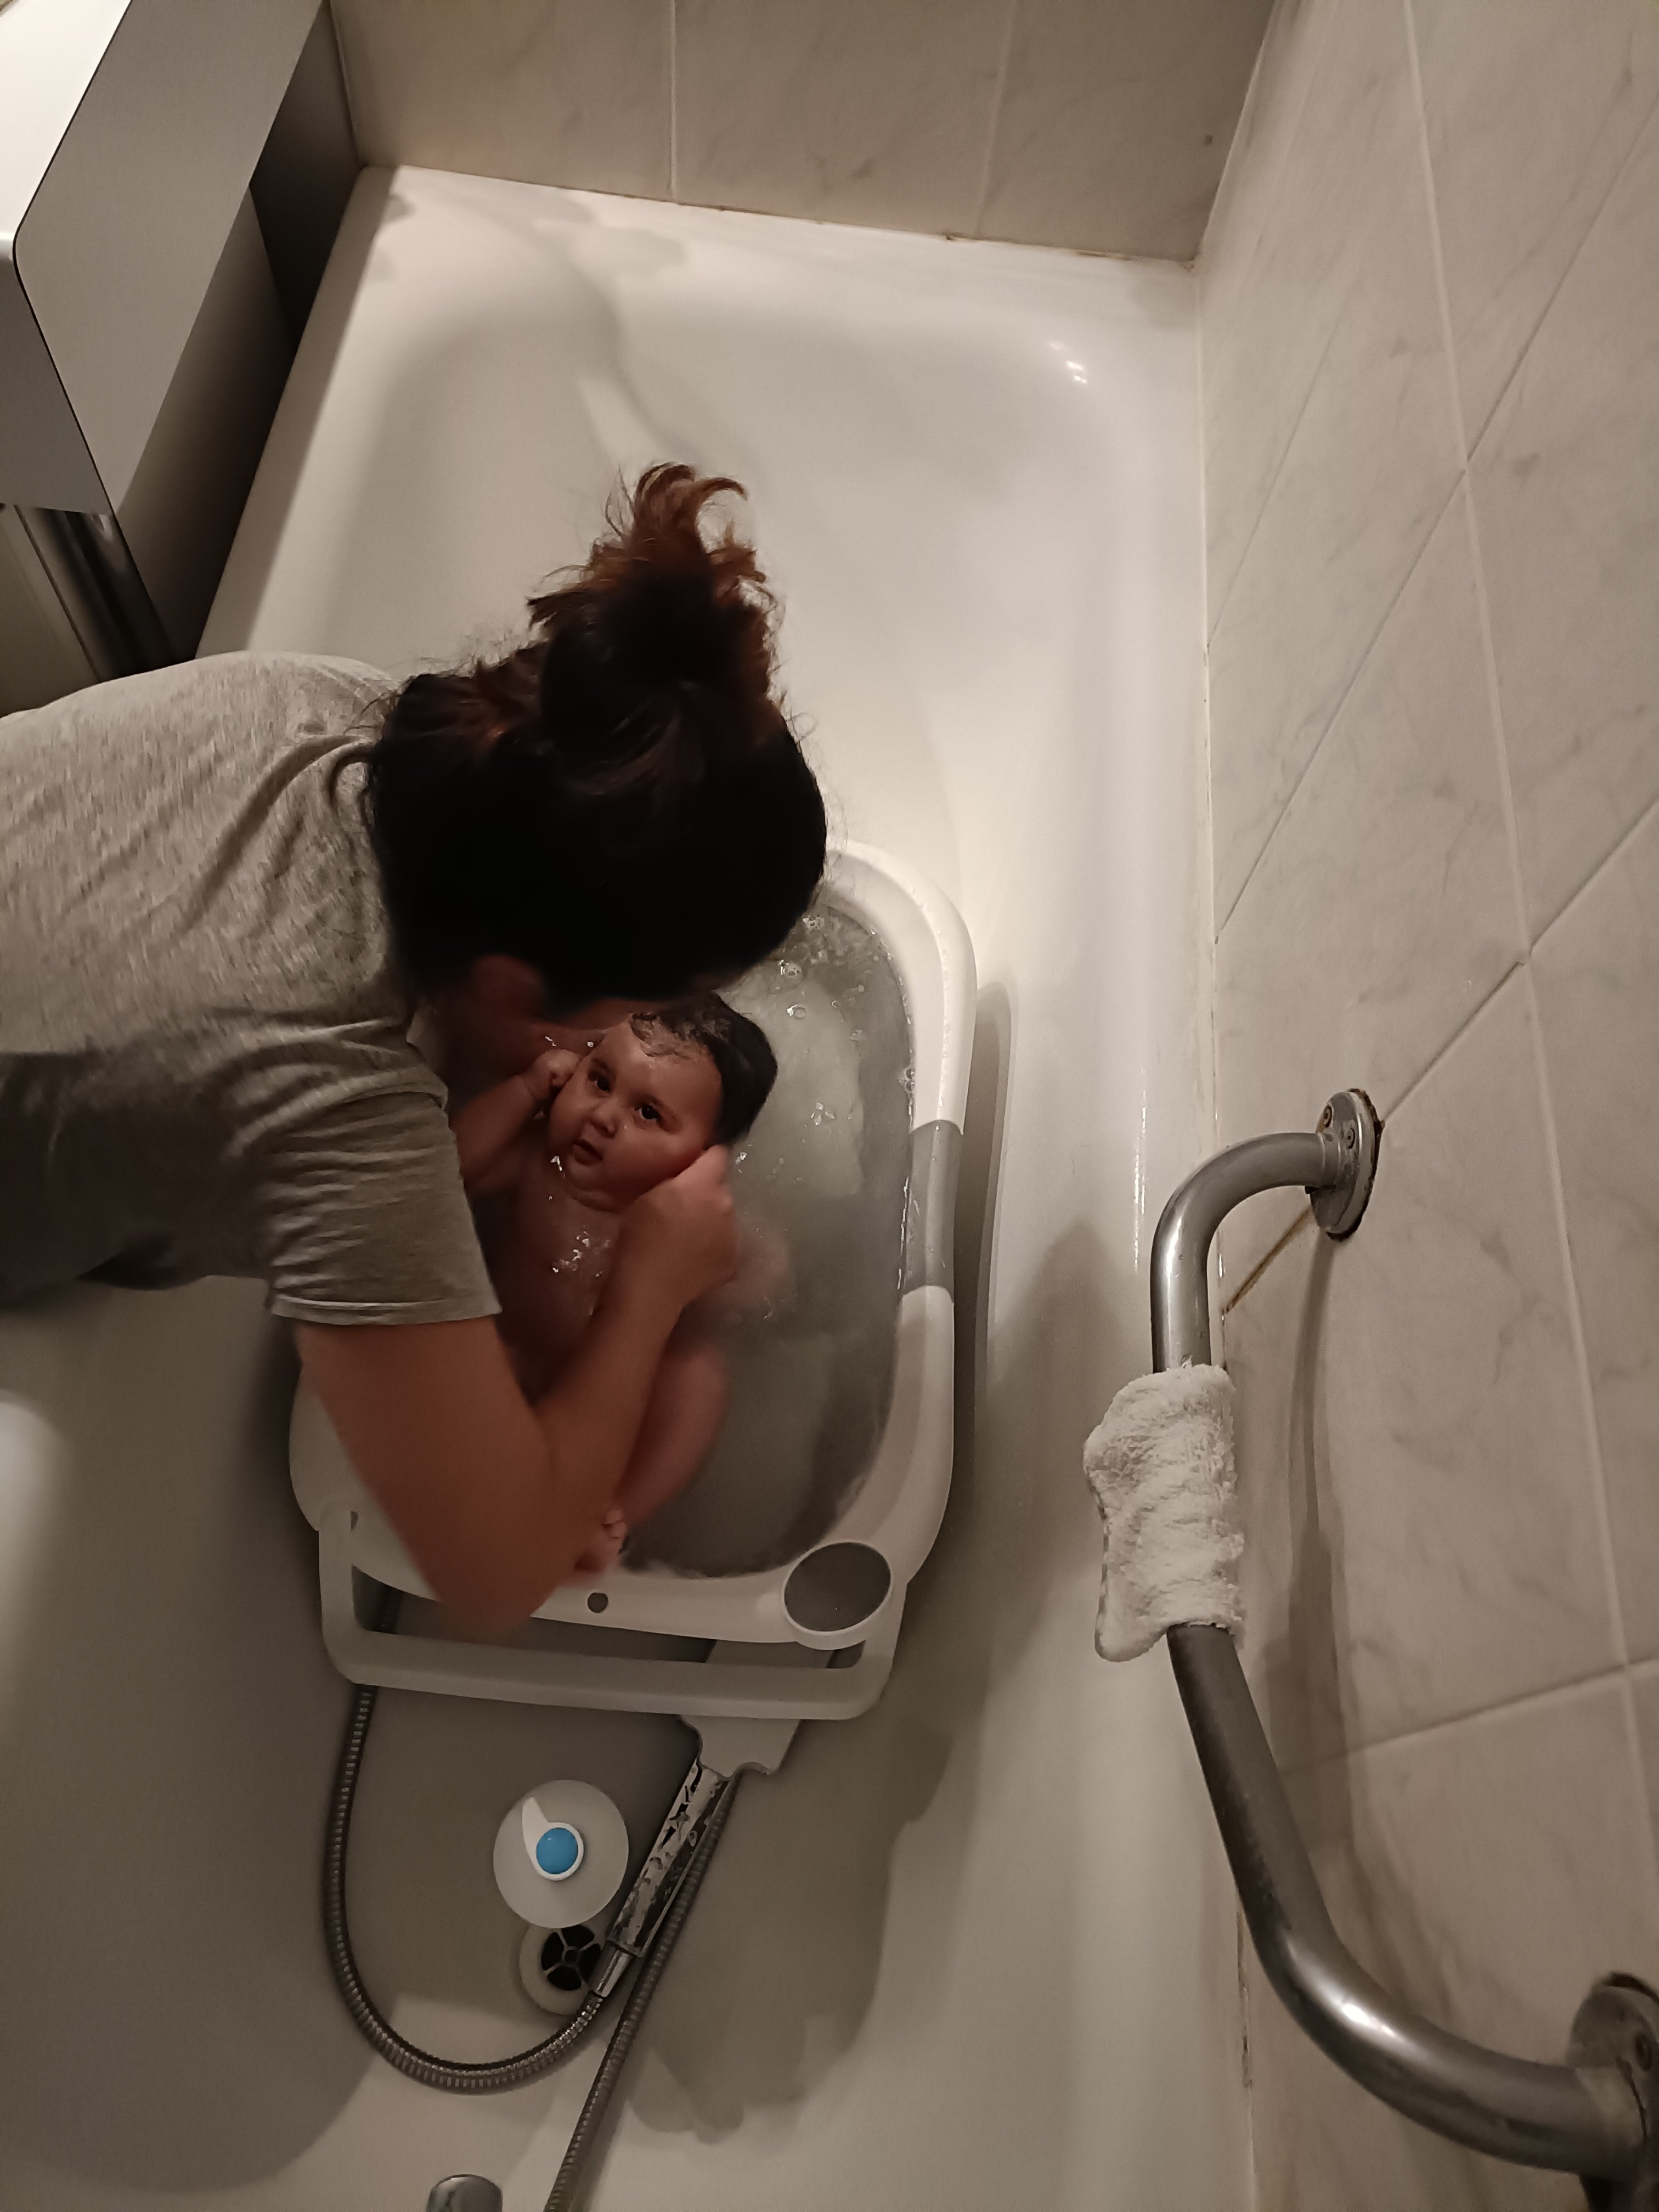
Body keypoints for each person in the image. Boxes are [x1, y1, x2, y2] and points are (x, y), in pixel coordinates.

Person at [0, 465, 826, 1630]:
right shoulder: (324, 1099)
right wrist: (648, 1289)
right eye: (629, 1014)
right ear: (512, 986)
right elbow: (498, 1574)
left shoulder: (338, 711)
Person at [452, 997, 777, 1573]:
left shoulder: (685, 1219)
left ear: (704, 1160)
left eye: (647, 1113)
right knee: (459, 1337)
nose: (603, 1116)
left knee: (699, 1379)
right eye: (600, 1080)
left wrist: (735, 1280)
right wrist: (525, 1090)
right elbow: (450, 1172)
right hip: (515, 1356)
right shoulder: (537, 1164)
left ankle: (612, 1512)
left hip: (622, 1400)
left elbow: (766, 1269)